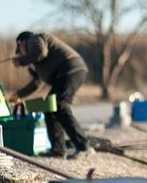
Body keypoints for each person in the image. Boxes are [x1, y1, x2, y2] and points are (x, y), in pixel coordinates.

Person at [9, 31, 93, 159]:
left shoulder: (35, 39)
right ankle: (58, 149)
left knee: (60, 105)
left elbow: (40, 52)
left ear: (21, 43)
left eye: (20, 50)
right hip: (66, 73)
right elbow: (36, 84)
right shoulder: (36, 62)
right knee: (49, 107)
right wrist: (18, 95)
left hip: (70, 70)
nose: (21, 53)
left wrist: (21, 60)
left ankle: (84, 147)